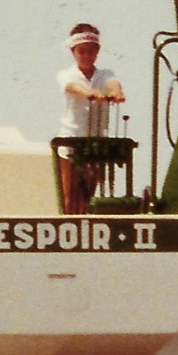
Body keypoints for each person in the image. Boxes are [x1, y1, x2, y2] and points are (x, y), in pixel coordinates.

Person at [56, 22, 125, 213]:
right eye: (82, 51)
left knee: (89, 195)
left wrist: (117, 93)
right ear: (73, 51)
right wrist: (89, 93)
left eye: (91, 51)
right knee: (71, 196)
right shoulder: (66, 75)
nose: (87, 56)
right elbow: (71, 87)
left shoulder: (105, 74)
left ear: (98, 51)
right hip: (71, 142)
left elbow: (113, 84)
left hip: (96, 143)